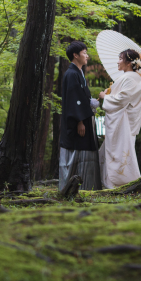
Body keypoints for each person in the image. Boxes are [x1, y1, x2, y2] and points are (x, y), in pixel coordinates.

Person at [97, 48, 141, 189]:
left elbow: (122, 99)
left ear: (129, 63)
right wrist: (110, 93)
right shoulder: (130, 77)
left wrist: (105, 97)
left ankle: (119, 182)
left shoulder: (129, 78)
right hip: (122, 121)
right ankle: (110, 181)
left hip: (122, 122)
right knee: (115, 151)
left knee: (119, 151)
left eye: (120, 59)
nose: (118, 62)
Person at [59, 41, 102, 192]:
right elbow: (73, 100)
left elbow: (81, 98)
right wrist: (79, 121)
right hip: (79, 122)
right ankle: (75, 187)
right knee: (78, 151)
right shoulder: (72, 74)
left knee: (84, 151)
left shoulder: (78, 73)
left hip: (84, 118)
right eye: (84, 53)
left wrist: (91, 101)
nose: (87, 56)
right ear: (75, 55)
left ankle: (87, 187)